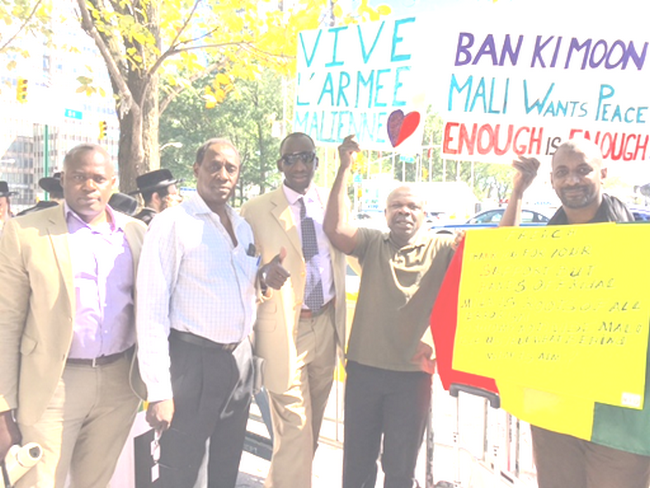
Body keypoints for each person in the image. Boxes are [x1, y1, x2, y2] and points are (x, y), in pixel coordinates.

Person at [501, 138, 650, 488]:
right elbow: (502, 262)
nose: (573, 180)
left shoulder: (639, 241)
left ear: (603, 172)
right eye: (562, 173)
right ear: (552, 180)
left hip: (620, 418)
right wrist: (519, 192)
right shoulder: (546, 246)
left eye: (583, 170)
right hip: (557, 411)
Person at [0, 143, 147, 487]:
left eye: (98, 178)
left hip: (119, 383)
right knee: (37, 482)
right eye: (79, 177)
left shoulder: (135, 233)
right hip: (51, 385)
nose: (89, 186)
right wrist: (3, 406)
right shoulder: (25, 233)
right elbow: (5, 322)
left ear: (112, 183)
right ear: (63, 180)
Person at [323, 135, 456, 488]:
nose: (404, 211)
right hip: (364, 370)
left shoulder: (443, 247)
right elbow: (334, 229)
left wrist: (517, 190)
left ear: (424, 214)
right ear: (385, 214)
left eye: (412, 206)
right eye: (396, 206)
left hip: (412, 376)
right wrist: (344, 168)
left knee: (399, 470)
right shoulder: (371, 243)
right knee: (357, 466)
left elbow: (497, 249)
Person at [136, 138, 261, 488]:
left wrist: (263, 275)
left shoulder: (242, 225)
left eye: (231, 169)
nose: (222, 174)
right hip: (192, 363)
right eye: (214, 166)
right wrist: (159, 390)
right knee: (181, 472)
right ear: (197, 170)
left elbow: (241, 283)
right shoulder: (173, 224)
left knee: (226, 466)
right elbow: (151, 310)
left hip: (237, 361)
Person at [240, 132, 347, 488]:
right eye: (290, 159)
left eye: (306, 157)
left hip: (326, 324)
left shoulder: (332, 204)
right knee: (296, 430)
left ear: (316, 161)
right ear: (279, 165)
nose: (299, 165)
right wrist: (262, 274)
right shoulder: (255, 210)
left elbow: (359, 247)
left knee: (307, 433)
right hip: (284, 330)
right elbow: (238, 269)